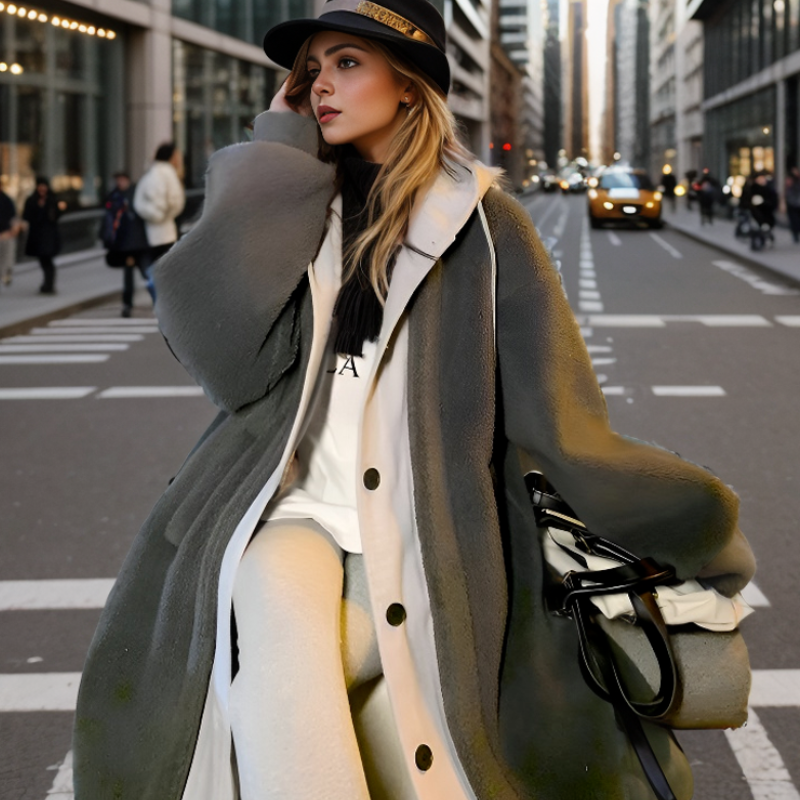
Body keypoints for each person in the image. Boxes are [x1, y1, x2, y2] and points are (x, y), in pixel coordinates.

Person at [74, 2, 755, 799]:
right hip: (288, 508)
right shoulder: (298, 204)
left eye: (347, 63)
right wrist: (277, 153)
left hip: (419, 527)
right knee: (273, 615)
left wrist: (689, 523)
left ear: (407, 85)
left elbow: (558, 421)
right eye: (312, 69)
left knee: (307, 689)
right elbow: (221, 356)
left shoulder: (486, 227)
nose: (320, 84)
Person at [102, 171, 153, 316]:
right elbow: (108, 215)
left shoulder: (136, 193)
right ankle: (127, 304)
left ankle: (158, 300)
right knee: (129, 276)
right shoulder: (114, 196)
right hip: (125, 244)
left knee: (147, 273)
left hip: (140, 243)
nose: (120, 183)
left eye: (122, 180)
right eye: (118, 180)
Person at [133, 141, 186, 278]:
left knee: (155, 271)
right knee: (166, 273)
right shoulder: (168, 174)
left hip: (150, 233)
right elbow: (175, 201)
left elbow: (139, 202)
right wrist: (165, 215)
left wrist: (155, 214)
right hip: (166, 233)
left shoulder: (149, 174)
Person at [22, 177, 65, 294]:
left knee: (48, 260)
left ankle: (48, 284)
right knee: (43, 260)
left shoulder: (52, 199)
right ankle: (47, 284)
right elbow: (26, 216)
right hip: (37, 235)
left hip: (49, 235)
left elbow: (58, 215)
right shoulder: (32, 200)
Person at [0, 183, 20, 287]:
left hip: (6, 234)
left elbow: (13, 217)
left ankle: (6, 275)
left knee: (7, 258)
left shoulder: (7, 200)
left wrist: (12, 231)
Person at [785, 165, 800, 244]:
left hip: (797, 203)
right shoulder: (790, 180)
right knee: (794, 220)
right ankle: (795, 234)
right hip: (791, 203)